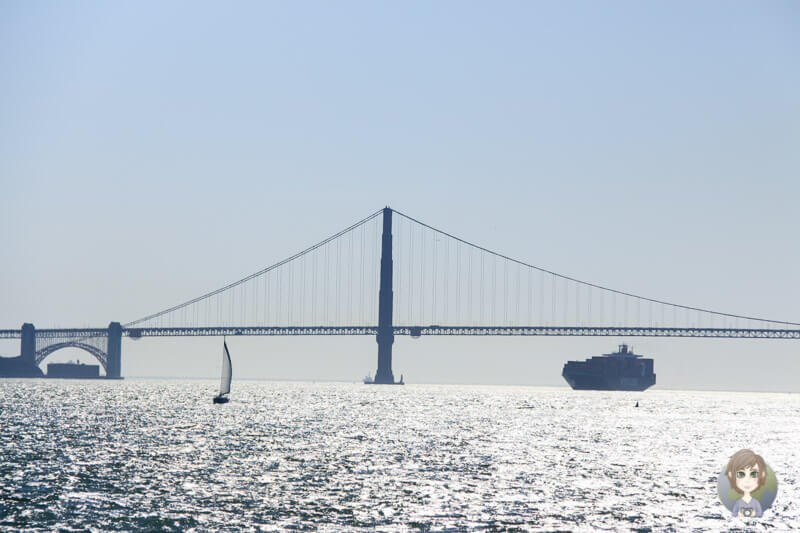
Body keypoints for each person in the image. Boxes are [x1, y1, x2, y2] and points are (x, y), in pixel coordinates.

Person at [726, 449, 766, 517]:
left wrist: (753, 514)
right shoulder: (738, 503)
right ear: (731, 475)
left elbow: (760, 513)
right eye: (741, 474)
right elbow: (734, 514)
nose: (747, 480)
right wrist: (739, 514)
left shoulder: (755, 502)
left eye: (754, 474)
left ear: (762, 475)